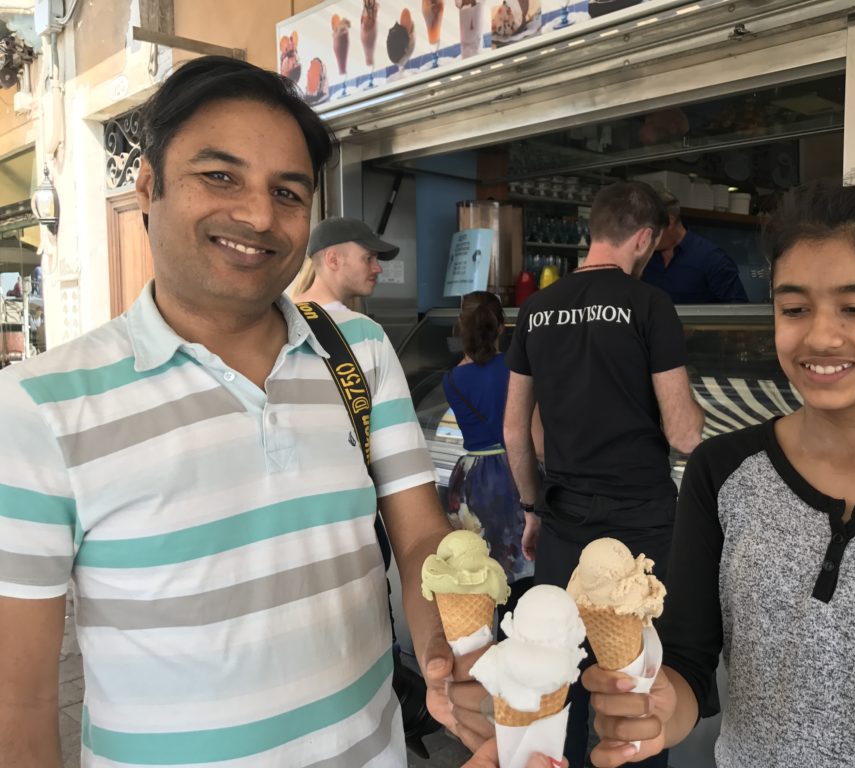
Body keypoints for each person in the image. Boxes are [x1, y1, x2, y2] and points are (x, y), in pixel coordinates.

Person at [0, 56, 492, 767]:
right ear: (148, 186)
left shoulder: (358, 351)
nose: (259, 216)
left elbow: (419, 540)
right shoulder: (40, 407)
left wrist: (448, 641)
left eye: (288, 192)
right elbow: (19, 704)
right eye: (220, 176)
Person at [583, 182, 855, 768]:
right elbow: (688, 663)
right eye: (794, 308)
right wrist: (661, 708)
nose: (818, 336)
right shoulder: (723, 474)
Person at [504, 180, 705, 768]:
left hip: (564, 522)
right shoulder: (649, 306)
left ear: (595, 230)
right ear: (644, 237)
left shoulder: (535, 310)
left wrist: (531, 508)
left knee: (556, 675)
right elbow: (685, 434)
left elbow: (516, 430)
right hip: (642, 529)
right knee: (634, 688)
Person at [443, 291, 534, 624]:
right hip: (515, 469)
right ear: (502, 328)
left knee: (483, 570)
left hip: (472, 477)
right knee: (523, 566)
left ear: (461, 327)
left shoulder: (451, 379)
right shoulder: (516, 370)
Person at [640, 190, 748, 304]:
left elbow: (739, 310)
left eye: (649, 229)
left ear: (670, 222)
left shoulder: (713, 259)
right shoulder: (645, 257)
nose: (644, 236)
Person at [292, 215, 398, 312]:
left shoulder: (284, 315)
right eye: (368, 258)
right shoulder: (364, 328)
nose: (378, 269)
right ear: (333, 260)